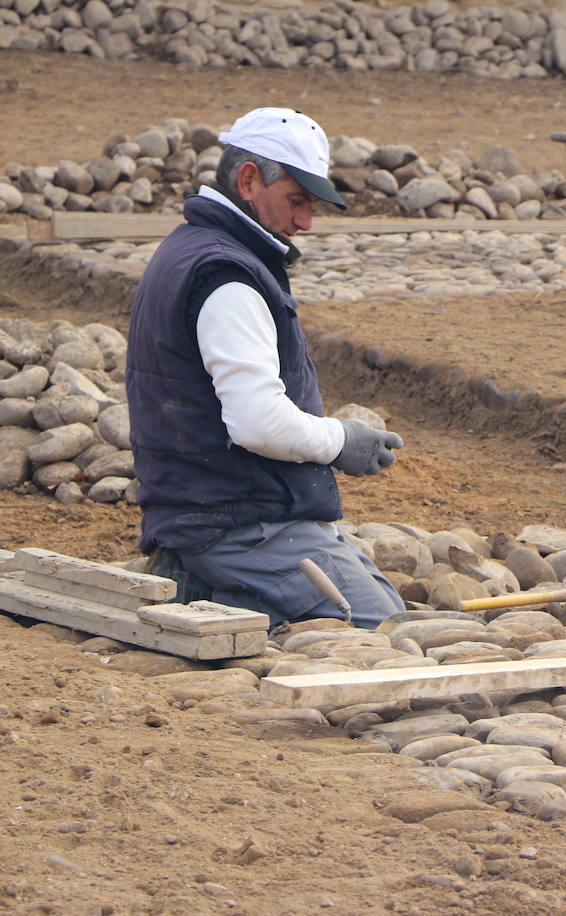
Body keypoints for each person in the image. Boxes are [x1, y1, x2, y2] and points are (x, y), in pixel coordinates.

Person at [126, 107, 406, 629]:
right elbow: (258, 423)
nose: (306, 221)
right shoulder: (228, 276)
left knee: (389, 610)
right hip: (240, 522)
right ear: (249, 180)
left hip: (216, 512)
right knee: (383, 632)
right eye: (296, 201)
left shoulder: (195, 250)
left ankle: (204, 588)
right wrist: (340, 440)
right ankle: (207, 589)